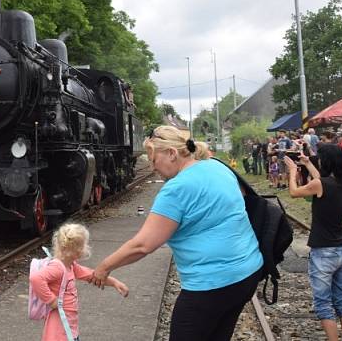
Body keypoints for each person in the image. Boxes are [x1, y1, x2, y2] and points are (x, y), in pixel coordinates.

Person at [89, 125, 263, 340]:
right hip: (247, 272)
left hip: (211, 283)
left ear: (171, 153)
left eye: (154, 161)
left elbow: (143, 245)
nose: (154, 168)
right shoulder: (216, 166)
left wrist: (104, 267)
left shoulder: (176, 189)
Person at [286, 144, 342, 341]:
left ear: (328, 161)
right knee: (341, 300)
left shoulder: (321, 185)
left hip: (323, 252)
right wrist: (307, 163)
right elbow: (321, 181)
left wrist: (292, 172)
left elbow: (294, 192)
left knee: (323, 303)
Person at [29, 223, 128, 341]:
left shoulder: (71, 265)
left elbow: (92, 275)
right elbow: (36, 279)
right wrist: (51, 300)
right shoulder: (57, 268)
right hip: (59, 322)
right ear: (74, 250)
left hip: (69, 321)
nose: (85, 249)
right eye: (82, 246)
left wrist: (114, 282)